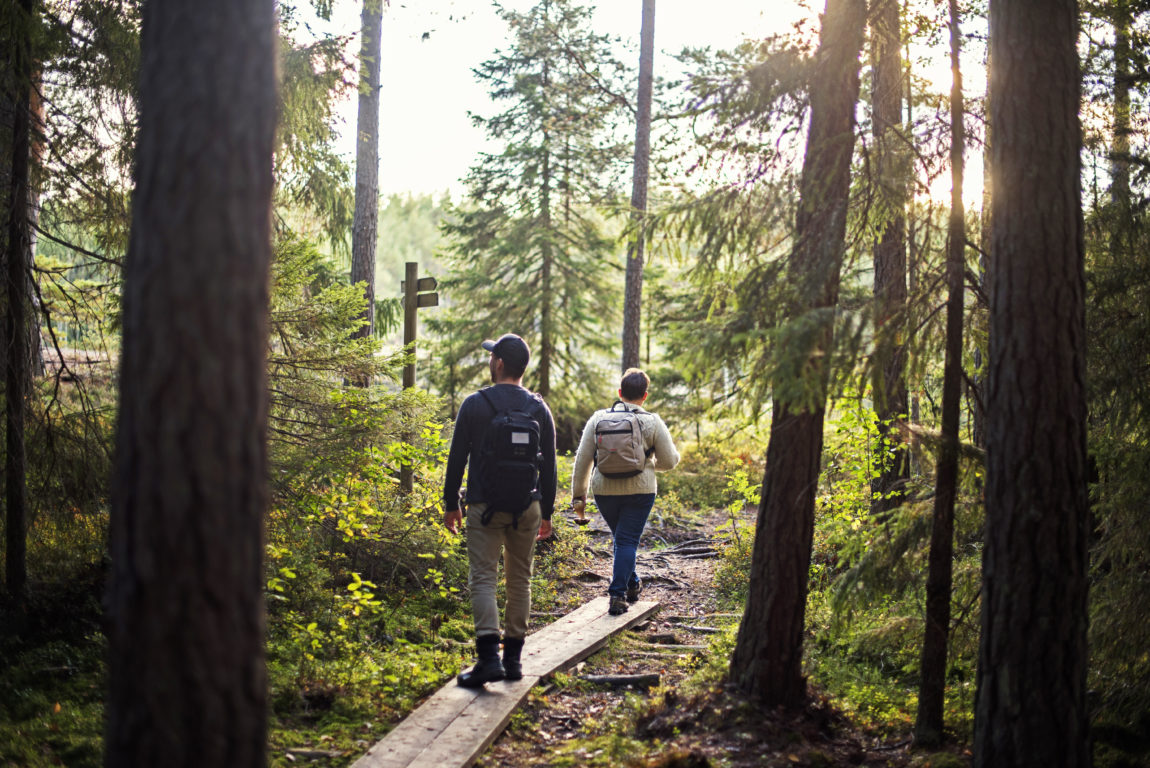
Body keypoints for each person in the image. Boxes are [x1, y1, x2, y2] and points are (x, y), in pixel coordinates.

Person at [443, 333, 557, 687]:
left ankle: (488, 659)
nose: (490, 360)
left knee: (483, 578)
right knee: (520, 579)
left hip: (483, 505)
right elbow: (550, 468)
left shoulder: (474, 404)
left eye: (492, 356)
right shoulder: (539, 408)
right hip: (528, 507)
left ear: (500, 364)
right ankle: (514, 662)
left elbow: (457, 459)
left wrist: (451, 504)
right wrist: (548, 513)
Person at [570, 368, 680, 616]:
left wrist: (579, 496)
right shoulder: (652, 421)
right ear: (645, 396)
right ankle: (618, 594)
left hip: (604, 490)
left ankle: (632, 584)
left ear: (620, 393)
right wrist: (647, 464)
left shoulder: (598, 418)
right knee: (627, 540)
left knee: (622, 540)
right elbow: (670, 461)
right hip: (641, 491)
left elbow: (583, 460)